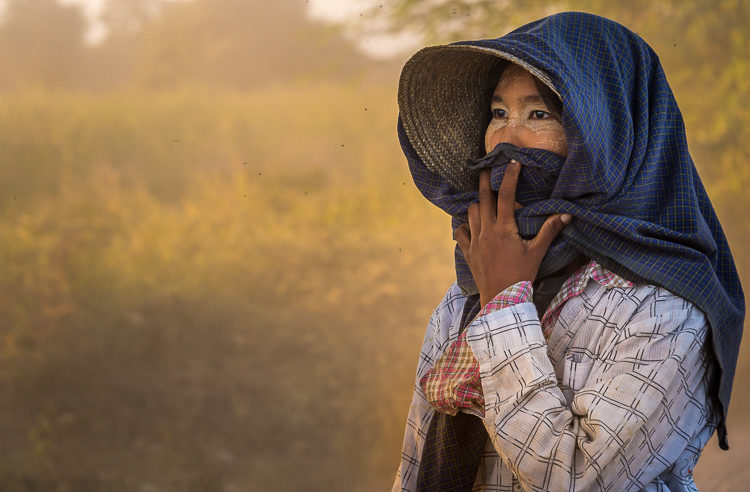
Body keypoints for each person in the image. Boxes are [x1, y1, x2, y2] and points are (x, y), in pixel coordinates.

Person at [392, 12, 744, 492]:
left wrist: (504, 306)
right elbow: (415, 466)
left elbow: (576, 479)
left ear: (610, 135)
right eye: (498, 114)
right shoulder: (464, 297)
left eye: (539, 115)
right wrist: (497, 295)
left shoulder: (664, 310)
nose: (507, 141)